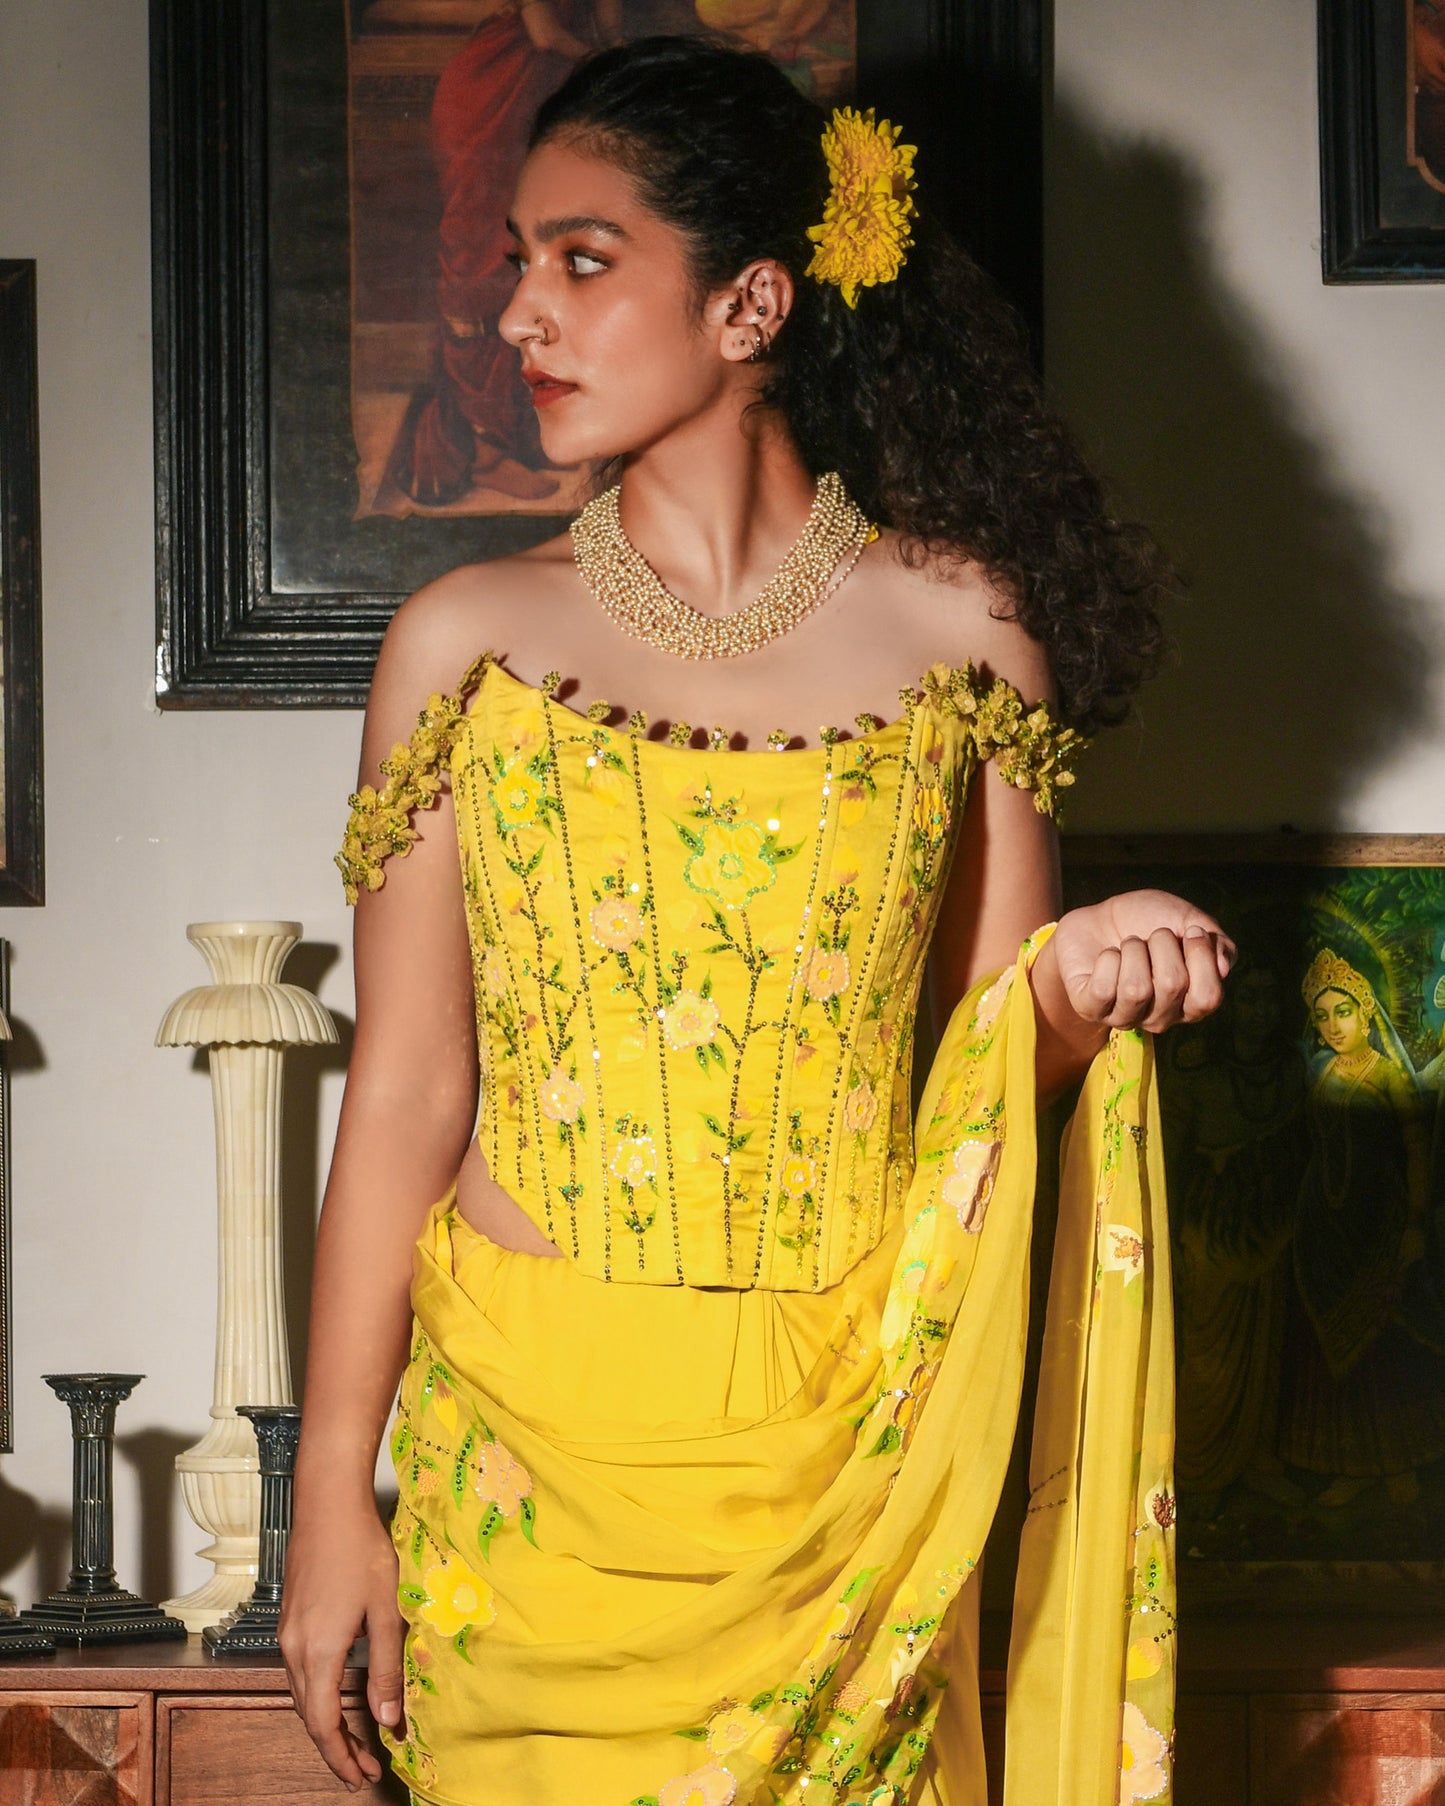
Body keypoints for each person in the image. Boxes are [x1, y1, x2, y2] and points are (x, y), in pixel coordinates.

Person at [281, 38, 1231, 1806]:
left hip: (849, 1470)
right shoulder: (464, 641)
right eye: (515, 264)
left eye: (580, 259)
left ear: (751, 302)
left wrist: (1092, 983)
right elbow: (405, 1091)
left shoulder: (967, 637)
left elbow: (983, 1081)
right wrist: (333, 1495)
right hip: (537, 1490)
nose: (516, 319)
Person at [1277, 949, 1445, 1510]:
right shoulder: (1320, 1071)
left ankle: (1398, 1463)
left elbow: (1417, 1149)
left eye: (1342, 1011)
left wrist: (1414, 1224)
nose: (1332, 1025)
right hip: (1323, 1230)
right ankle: (1351, 1465)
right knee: (1331, 1347)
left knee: (1385, 1342)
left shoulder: (1390, 1073)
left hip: (1379, 1225)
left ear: (1366, 1013)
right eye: (1322, 1016)